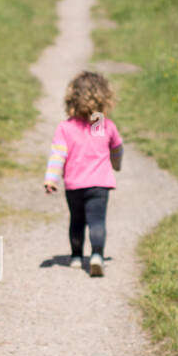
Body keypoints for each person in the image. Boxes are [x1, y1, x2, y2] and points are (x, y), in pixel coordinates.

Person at [44, 71, 123, 276]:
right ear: (105, 98)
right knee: (97, 221)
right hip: (99, 184)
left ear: (71, 99)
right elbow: (115, 147)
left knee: (77, 220)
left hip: (75, 185)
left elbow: (58, 155)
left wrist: (51, 179)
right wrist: (116, 164)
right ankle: (97, 255)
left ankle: (77, 257)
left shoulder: (66, 127)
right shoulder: (100, 125)